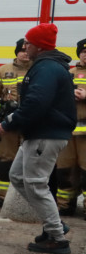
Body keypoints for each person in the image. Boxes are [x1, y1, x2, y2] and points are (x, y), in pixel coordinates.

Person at [0, 23, 75, 254]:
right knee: (17, 177)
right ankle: (54, 223)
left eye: (28, 42)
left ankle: (57, 238)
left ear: (39, 45)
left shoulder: (47, 68)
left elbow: (37, 102)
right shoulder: (46, 65)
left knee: (36, 184)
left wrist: (8, 124)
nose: (25, 45)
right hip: (39, 134)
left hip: (45, 134)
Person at [0, 39, 30, 208]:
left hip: (29, 123)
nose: (25, 53)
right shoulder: (3, 71)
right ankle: (2, 197)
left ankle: (26, 200)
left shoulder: (37, 69)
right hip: (8, 124)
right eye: (21, 50)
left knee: (30, 160)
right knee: (6, 159)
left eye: (27, 50)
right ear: (16, 52)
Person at [53, 38, 86, 216]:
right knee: (65, 170)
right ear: (79, 54)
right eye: (83, 52)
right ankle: (65, 205)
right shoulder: (68, 73)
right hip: (68, 131)